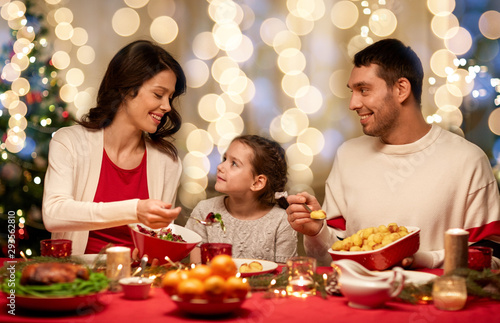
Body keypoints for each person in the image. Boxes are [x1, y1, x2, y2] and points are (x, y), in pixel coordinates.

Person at [286, 38, 500, 269]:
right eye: (353, 91)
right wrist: (317, 231)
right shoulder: (348, 156)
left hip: (433, 301)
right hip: (359, 302)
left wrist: (423, 260)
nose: (353, 103)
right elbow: (335, 255)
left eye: (364, 90)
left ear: (401, 89)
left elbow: (489, 256)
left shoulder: (468, 160)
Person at [42, 40, 187, 256]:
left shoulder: (167, 161)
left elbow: (159, 239)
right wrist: (135, 210)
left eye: (170, 97)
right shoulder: (69, 142)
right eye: (158, 95)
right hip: (79, 278)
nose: (167, 106)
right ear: (125, 89)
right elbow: (54, 214)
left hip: (137, 281)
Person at [186, 135, 298, 264]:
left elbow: (282, 276)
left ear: (257, 182)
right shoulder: (204, 210)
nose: (220, 166)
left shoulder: (282, 221)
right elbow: (197, 269)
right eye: (224, 159)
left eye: (234, 163)